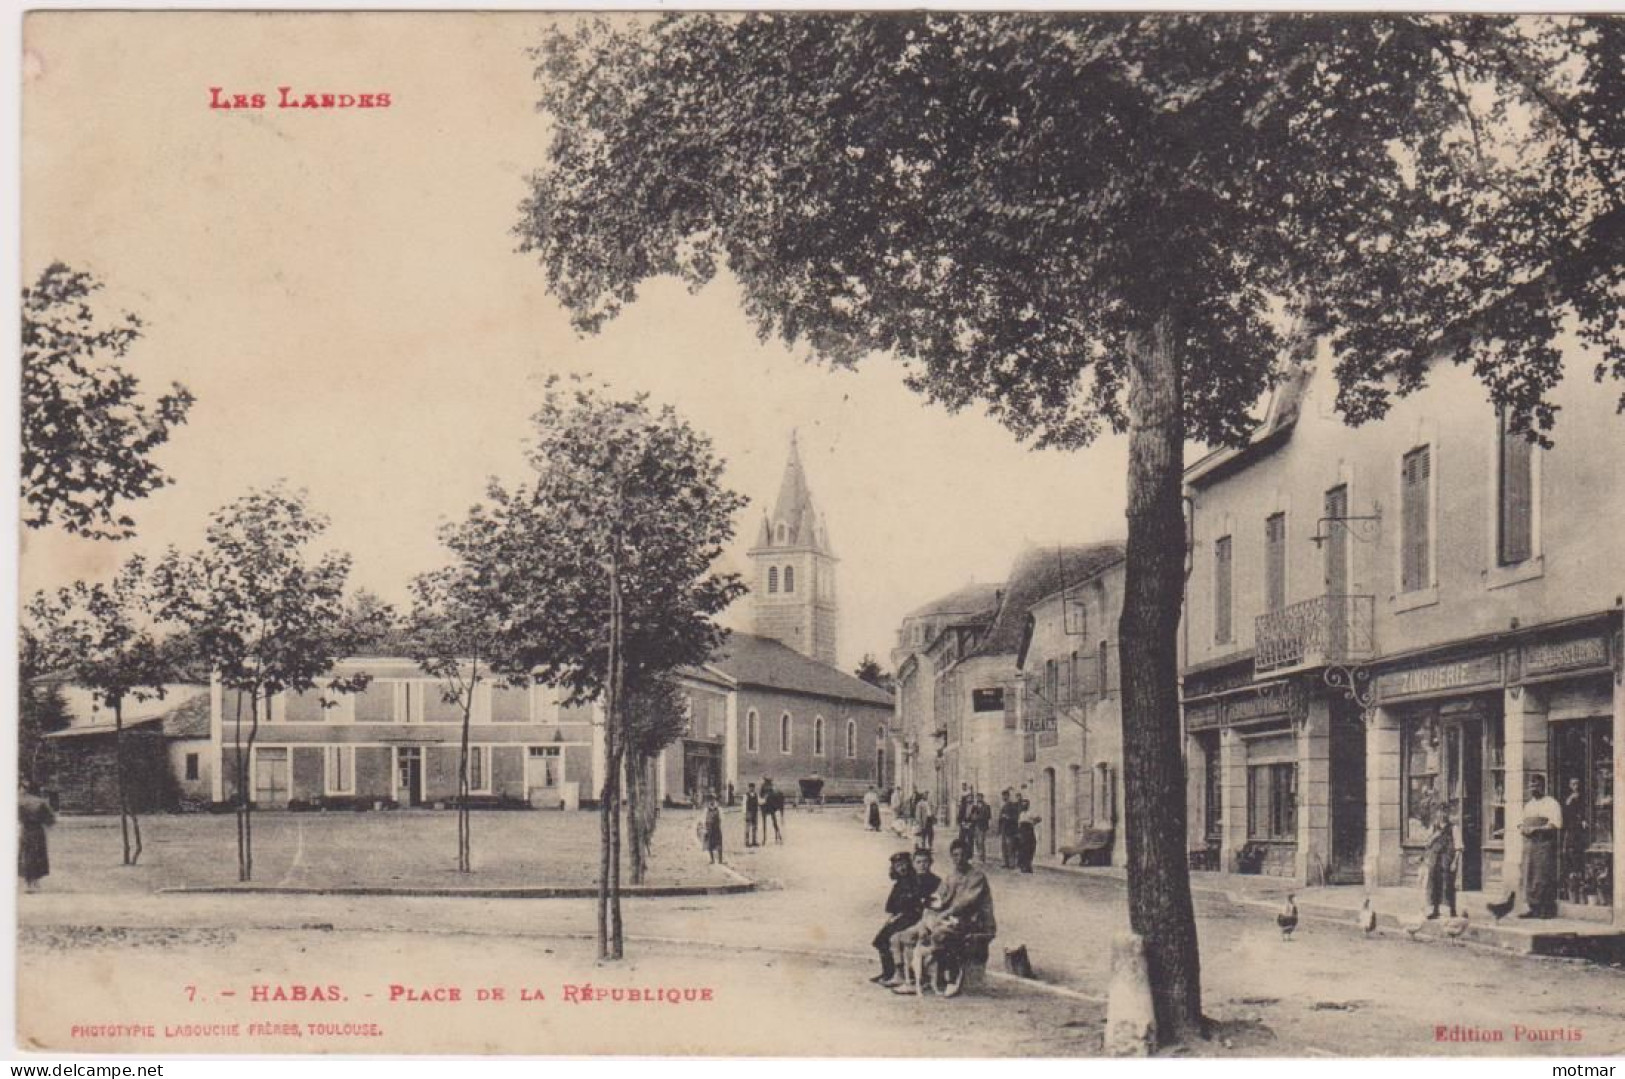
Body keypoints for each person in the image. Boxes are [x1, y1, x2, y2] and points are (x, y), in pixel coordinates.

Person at [889, 839, 996, 995]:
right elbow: (937, 897)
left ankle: (950, 978)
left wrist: (942, 915)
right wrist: (927, 917)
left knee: (941, 935)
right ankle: (913, 980)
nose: (958, 859)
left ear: (969, 855)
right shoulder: (951, 877)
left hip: (973, 922)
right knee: (907, 935)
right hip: (949, 920)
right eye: (955, 855)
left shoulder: (977, 877)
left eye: (962, 855)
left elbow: (964, 903)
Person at [871, 849, 940, 985]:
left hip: (915, 918)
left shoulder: (921, 880)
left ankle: (895, 973)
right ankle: (889, 972)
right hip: (904, 917)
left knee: (888, 938)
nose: (902, 868)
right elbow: (892, 906)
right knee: (881, 939)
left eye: (904, 864)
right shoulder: (902, 883)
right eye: (898, 866)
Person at [1519, 774, 1563, 918]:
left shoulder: (1551, 803)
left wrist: (1538, 829)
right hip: (1530, 845)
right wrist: (1522, 828)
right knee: (1529, 875)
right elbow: (1521, 822)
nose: (1533, 789)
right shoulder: (1529, 805)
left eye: (1536, 786)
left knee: (1542, 875)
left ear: (1543, 786)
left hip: (1544, 844)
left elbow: (1555, 824)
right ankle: (1533, 907)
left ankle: (1545, 908)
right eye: (1531, 786)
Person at [1422, 806, 1458, 918]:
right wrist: (1434, 836)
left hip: (1447, 859)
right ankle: (1435, 910)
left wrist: (1455, 862)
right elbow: (1427, 844)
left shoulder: (1454, 828)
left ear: (1448, 815)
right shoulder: (1433, 828)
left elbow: (1458, 847)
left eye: (1444, 813)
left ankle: (1452, 910)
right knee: (1434, 884)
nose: (1441, 816)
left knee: (1448, 884)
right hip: (1435, 859)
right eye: (1439, 813)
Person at [19, 785, 55, 892]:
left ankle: (28, 882)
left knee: (26, 855)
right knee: (38, 855)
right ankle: (36, 881)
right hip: (38, 831)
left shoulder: (20, 802)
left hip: (25, 831)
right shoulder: (41, 803)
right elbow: (50, 820)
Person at [1561, 777, 1587, 902]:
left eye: (1577, 783)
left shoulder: (1582, 797)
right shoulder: (1569, 798)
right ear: (1570, 785)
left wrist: (1583, 820)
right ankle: (1570, 891)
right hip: (1571, 829)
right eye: (1573, 784)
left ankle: (1579, 890)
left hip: (1579, 830)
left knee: (1577, 855)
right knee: (1569, 855)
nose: (1575, 786)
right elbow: (1565, 812)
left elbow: (1583, 811)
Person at [1016, 797, 1041, 873]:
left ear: (1028, 805)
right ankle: (1023, 866)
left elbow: (1039, 818)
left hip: (1029, 832)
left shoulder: (1031, 813)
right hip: (1022, 832)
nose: (1024, 806)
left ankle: (1028, 865)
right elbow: (1019, 824)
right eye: (1023, 805)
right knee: (1022, 849)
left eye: (1025, 805)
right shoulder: (1021, 814)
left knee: (1030, 849)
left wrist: (1034, 823)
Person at [998, 789, 1021, 869]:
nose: (1004, 797)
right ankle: (1005, 862)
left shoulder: (1012, 806)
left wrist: (1008, 817)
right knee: (1004, 846)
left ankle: (1012, 863)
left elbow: (1015, 818)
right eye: (1003, 796)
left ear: (1008, 796)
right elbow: (1000, 819)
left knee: (1010, 847)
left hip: (1010, 829)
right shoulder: (1003, 806)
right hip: (1004, 829)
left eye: (1005, 796)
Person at [702, 795, 724, 864]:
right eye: (709, 800)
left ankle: (720, 860)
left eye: (712, 799)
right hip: (709, 828)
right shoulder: (706, 810)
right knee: (710, 844)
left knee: (719, 844)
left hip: (717, 828)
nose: (711, 801)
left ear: (714, 800)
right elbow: (703, 819)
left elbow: (722, 818)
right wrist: (705, 829)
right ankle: (712, 859)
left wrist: (720, 826)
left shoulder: (718, 809)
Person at [970, 793, 992, 863]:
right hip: (975, 826)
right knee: (976, 842)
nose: (979, 798)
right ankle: (980, 856)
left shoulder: (987, 806)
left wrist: (978, 818)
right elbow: (971, 815)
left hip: (982, 826)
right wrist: (973, 817)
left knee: (981, 842)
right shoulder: (975, 807)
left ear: (982, 798)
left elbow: (988, 816)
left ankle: (982, 858)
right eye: (977, 797)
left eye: (980, 797)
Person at [762, 779, 784, 844]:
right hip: (767, 805)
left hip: (771, 806)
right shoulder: (765, 787)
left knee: (774, 822)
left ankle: (777, 836)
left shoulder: (770, 789)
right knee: (772, 822)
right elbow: (762, 796)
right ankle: (766, 837)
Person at [743, 783, 760, 848]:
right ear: (749, 788)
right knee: (747, 828)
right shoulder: (746, 795)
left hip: (755, 813)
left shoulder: (756, 795)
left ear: (754, 788)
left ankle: (754, 841)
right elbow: (744, 805)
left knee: (754, 827)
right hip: (748, 812)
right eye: (750, 787)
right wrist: (745, 814)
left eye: (753, 787)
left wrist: (766, 799)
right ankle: (747, 842)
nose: (752, 788)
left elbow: (759, 802)